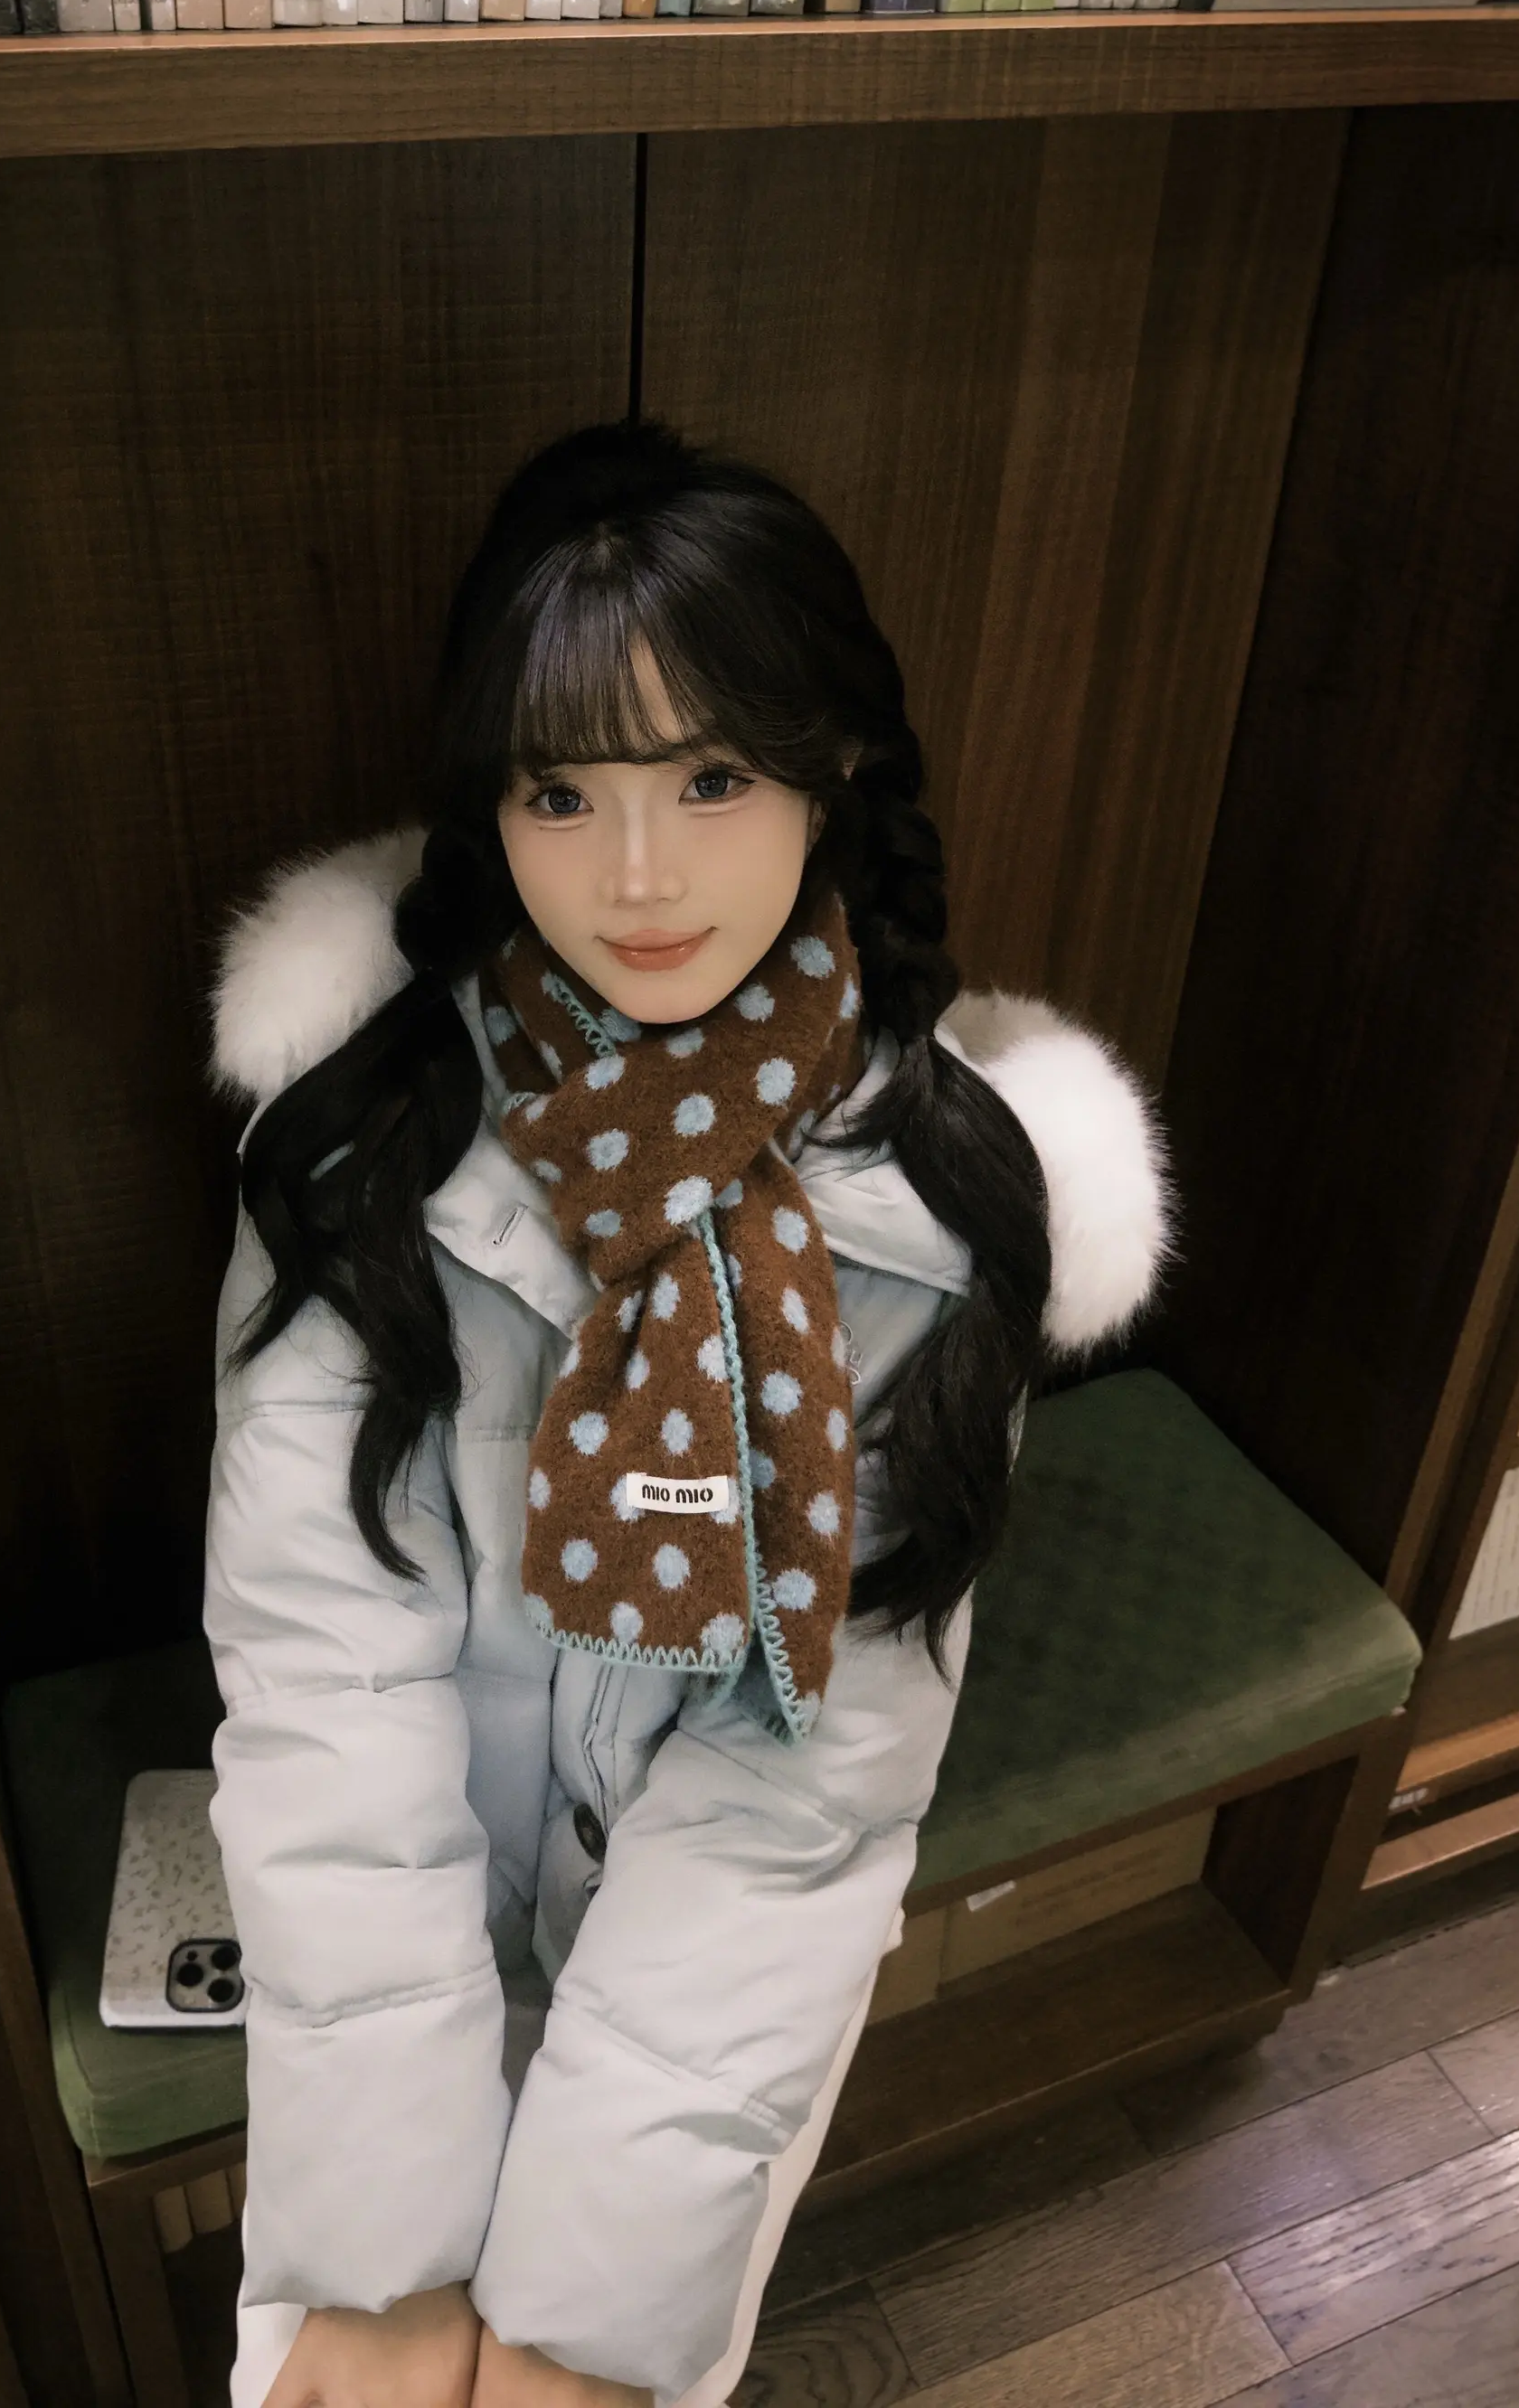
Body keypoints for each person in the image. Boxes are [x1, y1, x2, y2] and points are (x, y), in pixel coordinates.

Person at [203, 422, 1171, 2408]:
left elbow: (806, 1791)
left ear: (833, 773)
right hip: (373, 2003)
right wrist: (383, 2267)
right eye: (562, 790)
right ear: (491, 800)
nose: (636, 878)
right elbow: (325, 1678)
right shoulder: (367, 1141)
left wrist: (573, 2321)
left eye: (712, 779)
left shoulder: (939, 1215)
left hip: (719, 2000)